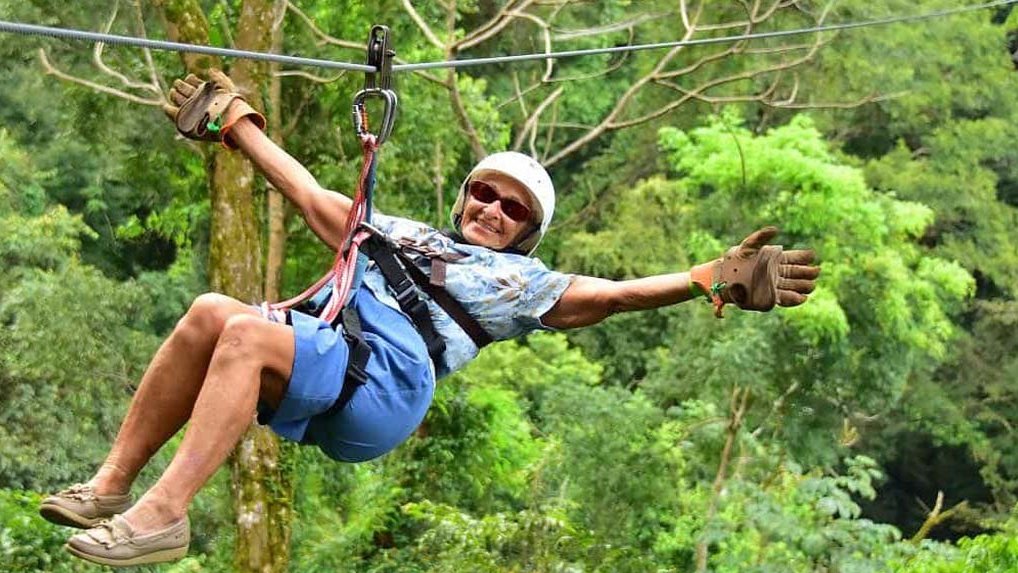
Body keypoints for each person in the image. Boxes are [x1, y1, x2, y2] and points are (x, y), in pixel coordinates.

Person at [38, 71, 819, 567]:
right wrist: (237, 125)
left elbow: (610, 296)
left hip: (386, 387)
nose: (492, 209)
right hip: (330, 353)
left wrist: (701, 279)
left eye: (512, 209)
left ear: (526, 232)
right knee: (214, 311)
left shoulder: (520, 281)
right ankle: (111, 487)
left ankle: (164, 516)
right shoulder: (400, 232)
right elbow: (311, 195)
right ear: (464, 196)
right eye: (484, 193)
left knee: (244, 330)